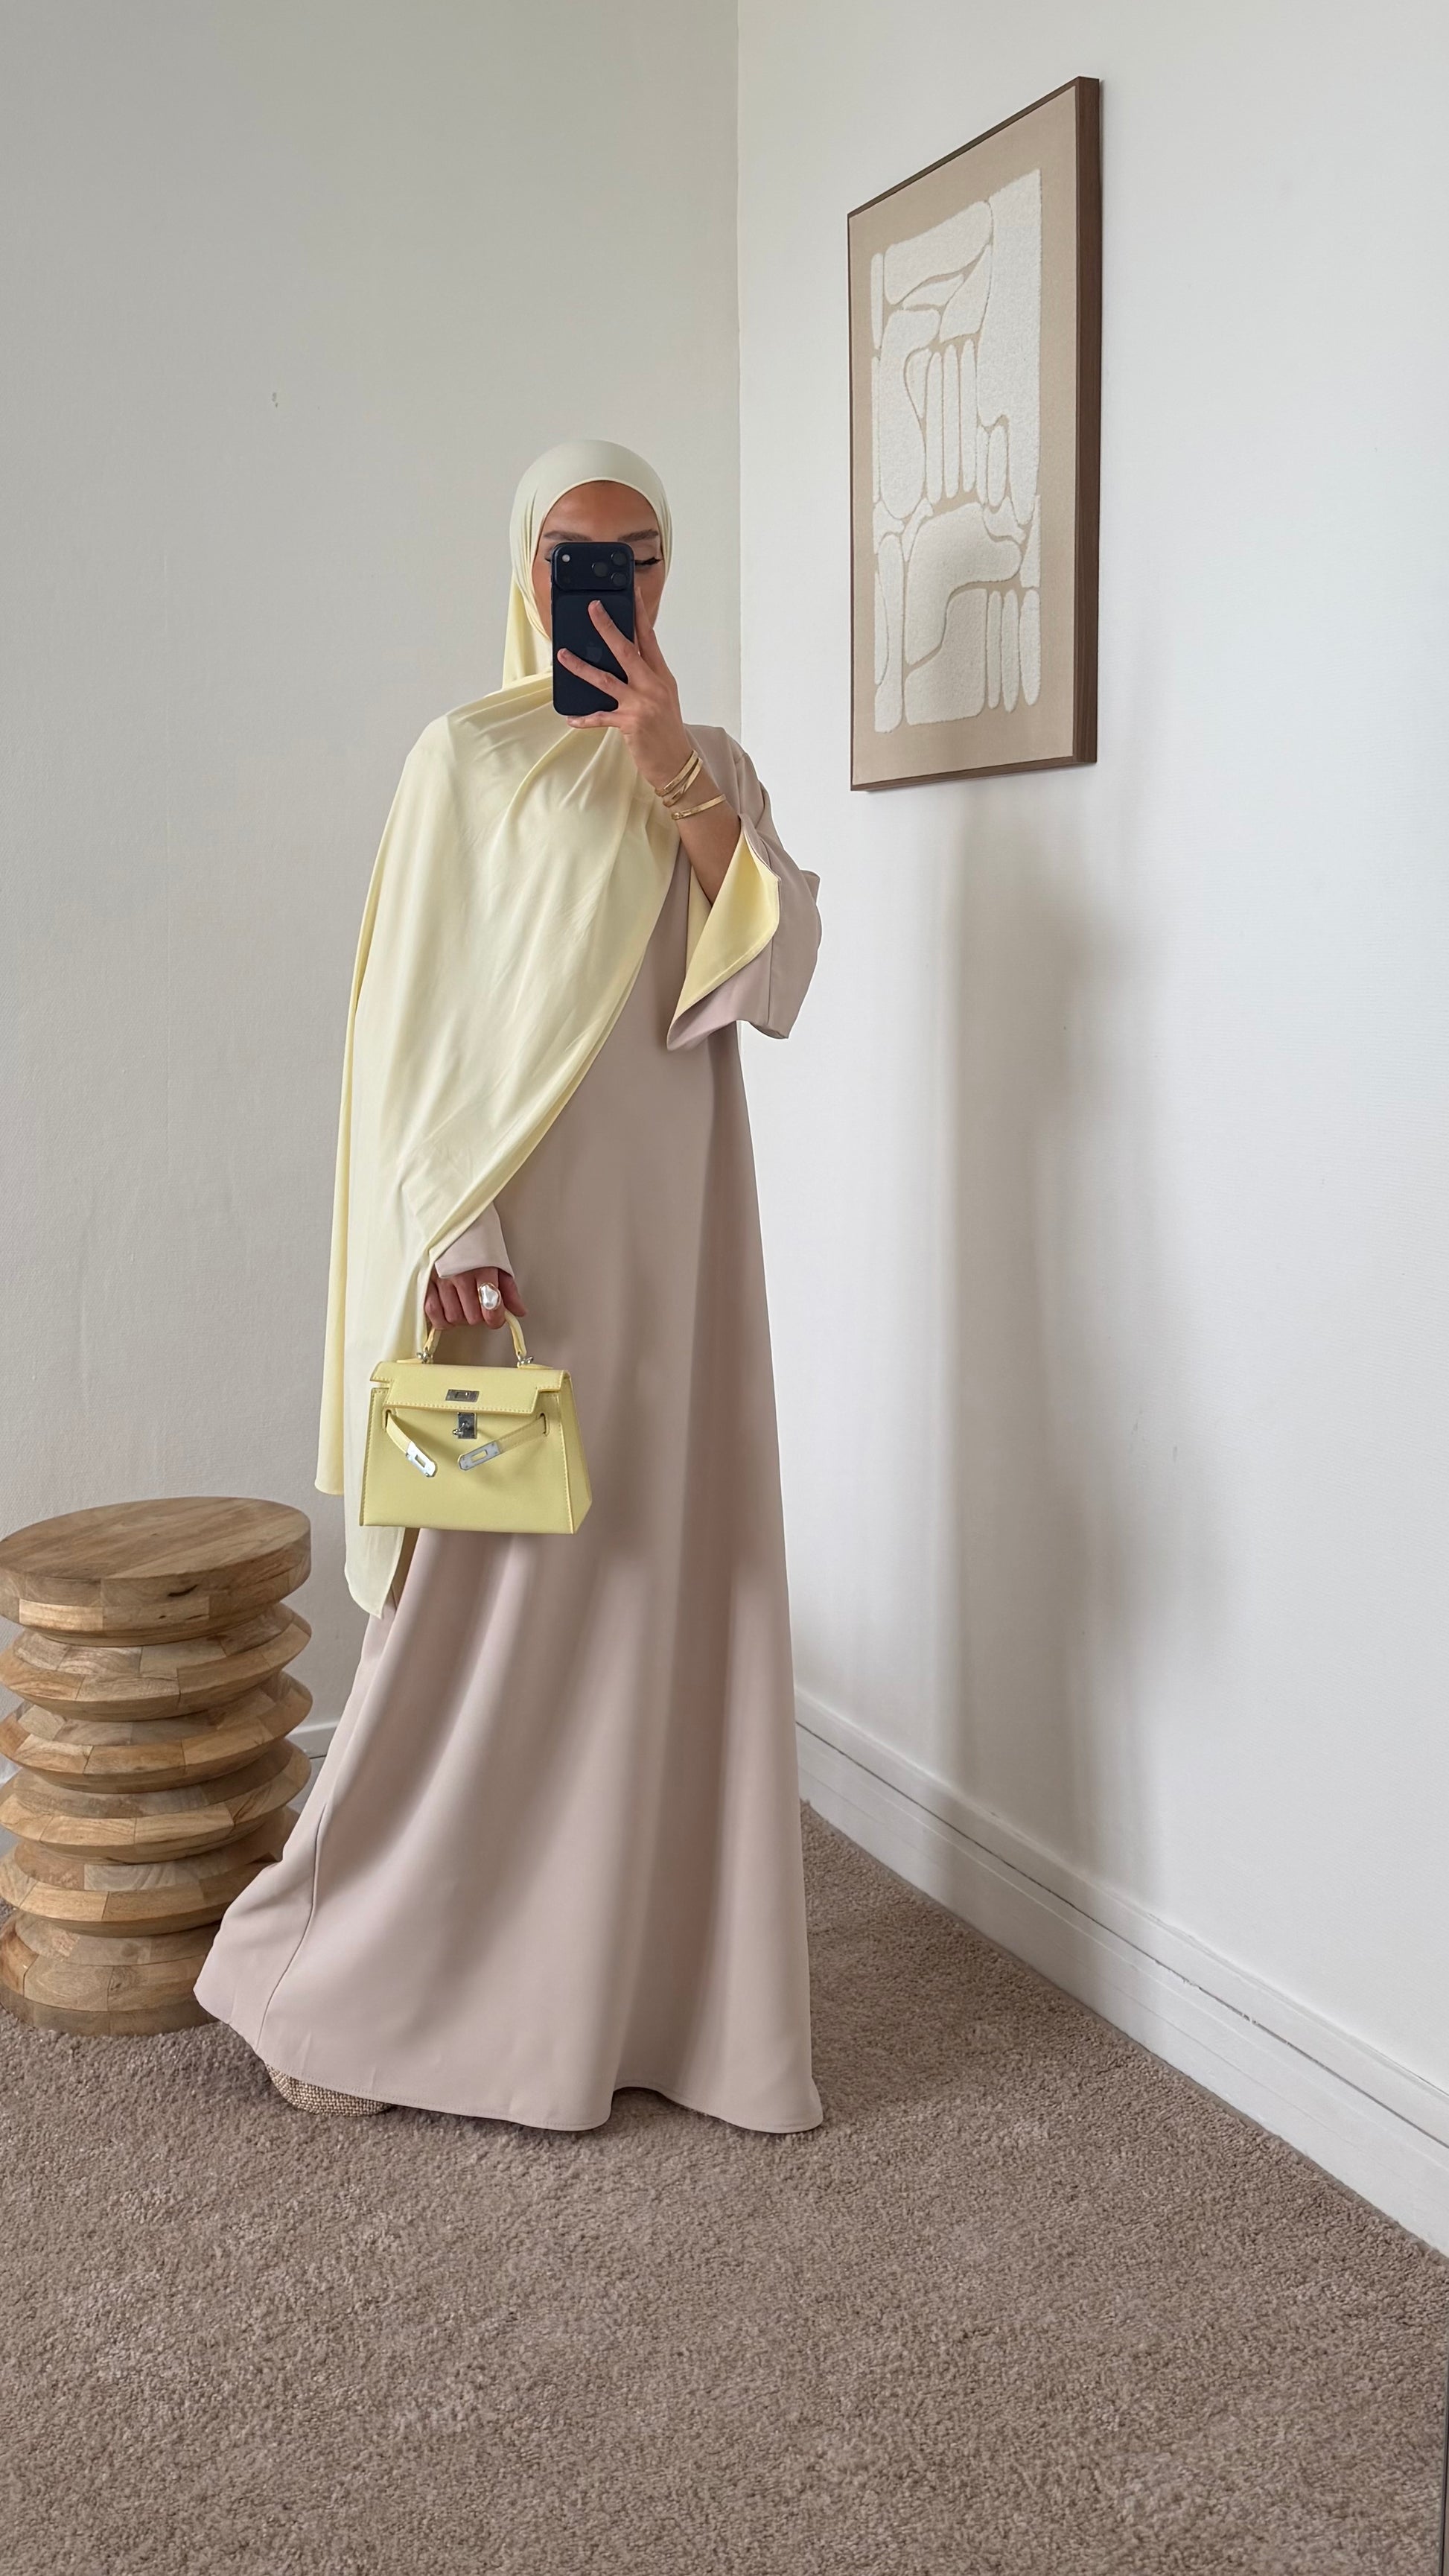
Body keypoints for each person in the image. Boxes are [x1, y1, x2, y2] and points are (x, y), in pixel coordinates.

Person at [194, 439, 824, 2135]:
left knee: (649, 1606)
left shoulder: (707, 764)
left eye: (633, 555)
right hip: (508, 1267)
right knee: (470, 1625)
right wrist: (456, 1236)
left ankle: (625, 2008)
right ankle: (319, 1984)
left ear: (667, 577)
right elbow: (410, 1032)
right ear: (525, 569)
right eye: (568, 554)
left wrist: (670, 764)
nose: (599, 585)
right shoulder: (460, 763)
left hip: (671, 1255)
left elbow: (773, 977)